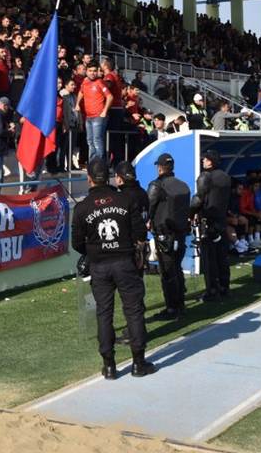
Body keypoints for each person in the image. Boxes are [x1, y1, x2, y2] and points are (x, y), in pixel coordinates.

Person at [71, 158, 156, 380]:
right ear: (108, 177)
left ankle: (109, 366)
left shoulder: (82, 207)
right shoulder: (125, 200)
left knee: (104, 313)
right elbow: (140, 232)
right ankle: (138, 362)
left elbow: (77, 243)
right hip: (124, 263)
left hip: (100, 265)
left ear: (89, 178)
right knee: (134, 310)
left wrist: (93, 249)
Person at [146, 153, 190, 320]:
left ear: (159, 167)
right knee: (177, 269)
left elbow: (148, 208)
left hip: (164, 235)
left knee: (168, 272)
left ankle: (172, 308)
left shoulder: (157, 185)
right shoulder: (183, 185)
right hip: (180, 234)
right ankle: (180, 304)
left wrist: (147, 221)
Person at [192, 149, 233, 300]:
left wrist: (190, 214)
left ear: (211, 161)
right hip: (221, 220)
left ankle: (212, 291)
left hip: (208, 222)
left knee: (209, 259)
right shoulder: (225, 177)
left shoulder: (205, 176)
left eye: (206, 159)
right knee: (222, 257)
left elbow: (198, 200)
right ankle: (225, 287)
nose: (203, 161)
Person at [76, 63, 112, 162]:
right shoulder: (85, 82)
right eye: (90, 71)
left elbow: (110, 97)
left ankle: (99, 163)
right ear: (86, 71)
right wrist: (77, 104)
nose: (92, 73)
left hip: (98, 116)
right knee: (90, 141)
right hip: (88, 116)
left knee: (97, 140)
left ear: (97, 72)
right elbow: (81, 92)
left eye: (94, 71)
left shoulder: (100, 82)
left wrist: (104, 111)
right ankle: (93, 163)